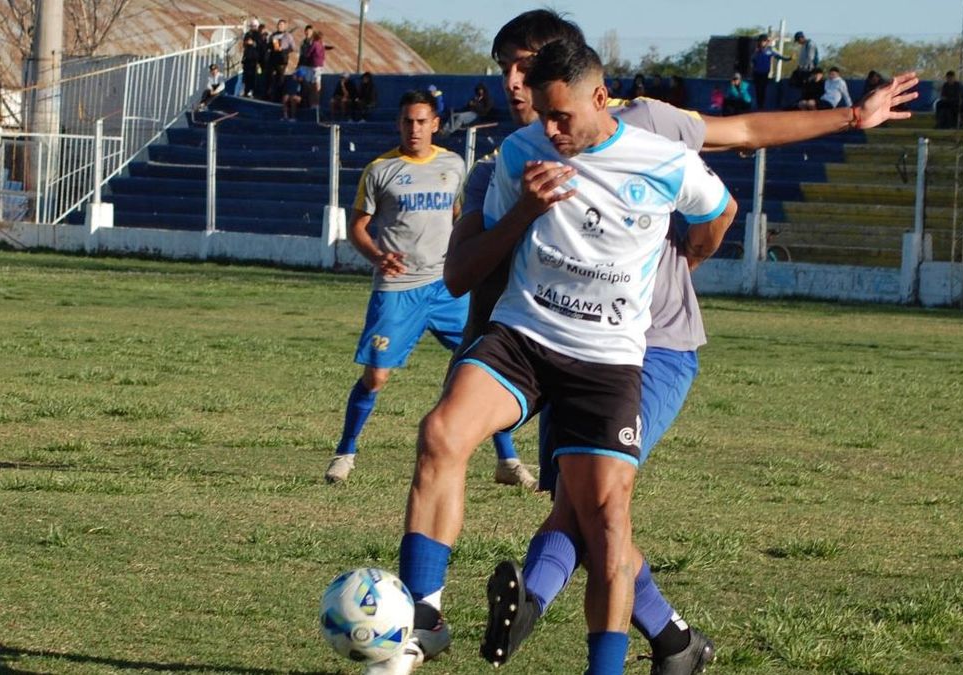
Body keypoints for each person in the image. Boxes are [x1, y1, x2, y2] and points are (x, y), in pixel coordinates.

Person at [376, 8, 920, 674]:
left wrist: (850, 120)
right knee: (558, 494)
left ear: (576, 70)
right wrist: (471, 377)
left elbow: (743, 135)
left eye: (526, 63)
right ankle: (666, 639)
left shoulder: (654, 128)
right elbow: (476, 280)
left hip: (647, 349)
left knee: (594, 508)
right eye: (505, 69)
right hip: (541, 339)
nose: (514, 83)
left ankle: (535, 607)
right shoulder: (511, 162)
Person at [390, 39, 737, 675]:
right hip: (524, 336)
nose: (551, 130)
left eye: (562, 117)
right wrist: (527, 205)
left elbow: (719, 212)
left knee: (606, 522)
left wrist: (686, 257)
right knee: (442, 432)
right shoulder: (522, 154)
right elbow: (479, 257)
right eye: (543, 117)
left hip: (607, 361)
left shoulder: (662, 159)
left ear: (600, 99)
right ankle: (421, 618)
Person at [322, 89, 535, 490]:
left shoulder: (453, 165)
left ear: (435, 124)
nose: (414, 129)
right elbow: (357, 227)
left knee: (486, 367)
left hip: (447, 288)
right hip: (398, 289)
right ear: (398, 123)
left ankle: (507, 461)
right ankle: (345, 453)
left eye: (421, 121)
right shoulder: (380, 170)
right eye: (407, 121)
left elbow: (460, 216)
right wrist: (376, 256)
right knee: (377, 376)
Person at [752, 33, 790, 109]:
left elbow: (779, 56)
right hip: (756, 73)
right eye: (761, 41)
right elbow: (752, 60)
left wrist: (789, 58)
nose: (762, 43)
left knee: (763, 89)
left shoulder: (770, 50)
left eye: (764, 41)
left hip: (764, 73)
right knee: (758, 90)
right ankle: (759, 105)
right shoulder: (756, 51)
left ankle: (761, 106)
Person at [268, 19, 295, 101]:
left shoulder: (288, 36)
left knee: (281, 78)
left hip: (282, 60)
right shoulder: (273, 35)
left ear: (285, 26)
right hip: (273, 59)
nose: (280, 26)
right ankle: (272, 96)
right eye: (279, 25)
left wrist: (283, 50)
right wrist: (271, 46)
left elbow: (292, 48)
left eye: (282, 25)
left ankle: (280, 98)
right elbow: (268, 46)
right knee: (271, 78)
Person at [240, 20, 263, 98]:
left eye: (254, 26)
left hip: (254, 59)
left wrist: (253, 43)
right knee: (246, 75)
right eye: (251, 26)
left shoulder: (259, 35)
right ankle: (245, 90)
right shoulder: (248, 34)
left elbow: (260, 46)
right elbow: (244, 44)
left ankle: (251, 91)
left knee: (253, 75)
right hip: (247, 58)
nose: (252, 28)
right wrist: (246, 43)